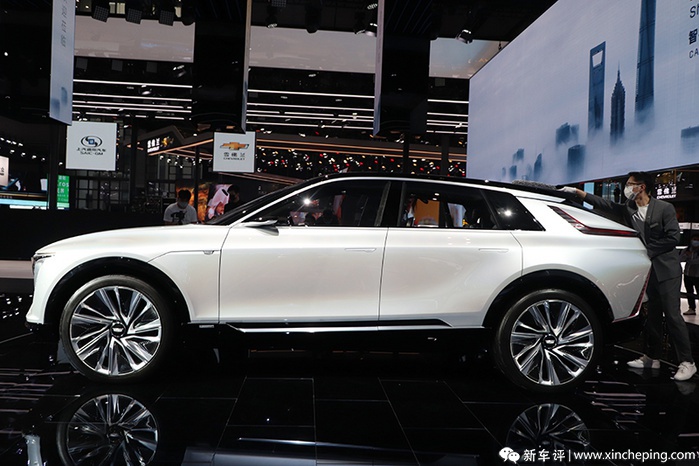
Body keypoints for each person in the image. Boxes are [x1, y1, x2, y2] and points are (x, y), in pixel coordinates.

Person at [561, 172, 696, 381]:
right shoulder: (629, 208)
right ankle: (652, 357)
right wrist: (579, 193)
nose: (627, 187)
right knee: (652, 316)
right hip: (647, 271)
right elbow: (605, 204)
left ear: (642, 187)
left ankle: (687, 362)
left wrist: (646, 250)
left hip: (667, 271)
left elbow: (672, 238)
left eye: (630, 184)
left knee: (672, 315)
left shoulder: (664, 208)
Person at [679, 234, 699, 316]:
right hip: (687, 274)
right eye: (694, 239)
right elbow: (680, 259)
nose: (695, 241)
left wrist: (689, 259)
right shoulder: (686, 250)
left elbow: (696, 262)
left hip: (697, 275)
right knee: (689, 292)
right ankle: (691, 308)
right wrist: (686, 256)